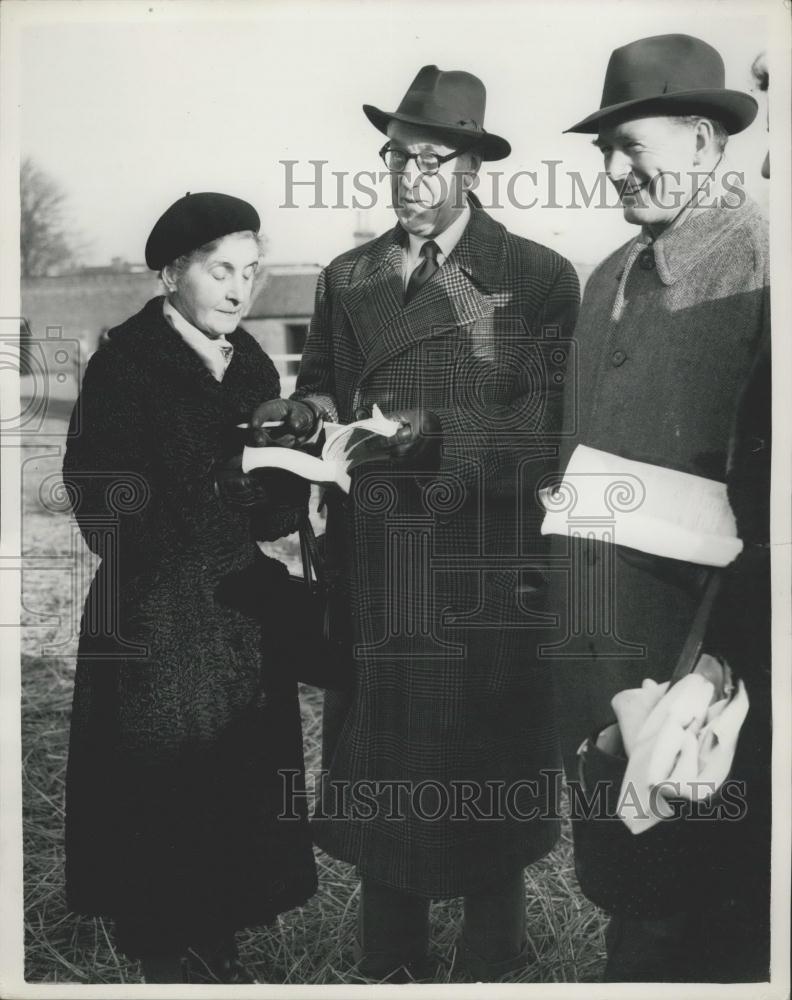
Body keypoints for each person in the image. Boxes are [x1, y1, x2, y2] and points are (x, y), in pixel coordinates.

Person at [251, 65, 580, 981]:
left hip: (482, 575)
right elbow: (319, 375)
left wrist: (439, 439)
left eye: (431, 159)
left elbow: (551, 434)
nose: (408, 177)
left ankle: (493, 965)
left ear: (473, 167)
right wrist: (306, 414)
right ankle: (385, 971)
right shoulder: (348, 274)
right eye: (396, 156)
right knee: (386, 795)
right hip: (378, 567)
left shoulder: (538, 279)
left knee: (484, 801)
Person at [549, 34, 768, 981]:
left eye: (635, 145)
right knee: (630, 893)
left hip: (707, 671)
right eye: (606, 150)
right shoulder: (609, 277)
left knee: (706, 908)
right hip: (602, 654)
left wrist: (717, 666)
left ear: (708, 143)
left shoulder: (766, 270)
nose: (614, 169)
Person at [62, 192, 317, 984]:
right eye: (221, 271)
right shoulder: (125, 364)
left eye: (252, 271)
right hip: (154, 633)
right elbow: (105, 511)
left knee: (231, 811)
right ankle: (170, 970)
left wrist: (302, 467)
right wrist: (225, 478)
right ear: (172, 274)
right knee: (162, 820)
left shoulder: (252, 365)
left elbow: (267, 514)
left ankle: (221, 958)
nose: (242, 290)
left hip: (236, 627)